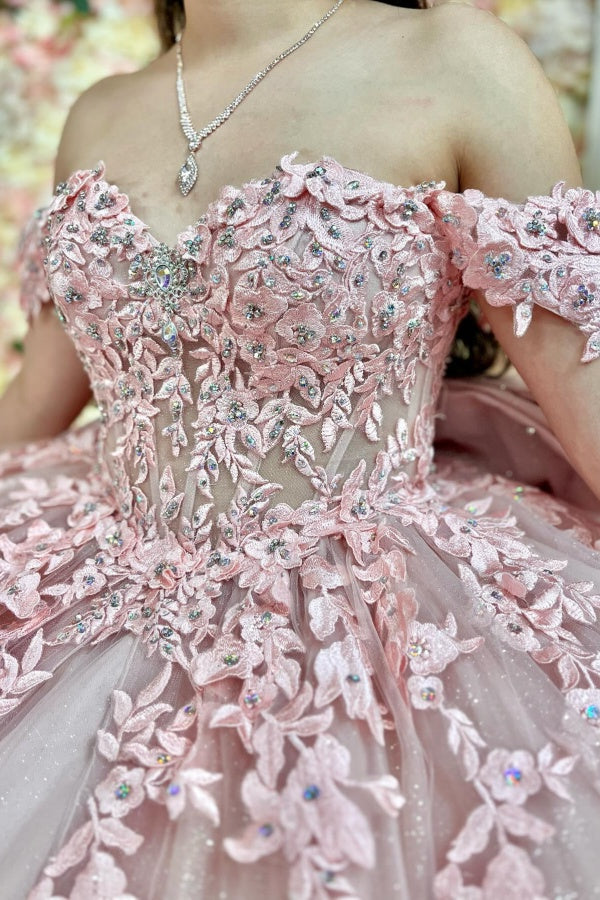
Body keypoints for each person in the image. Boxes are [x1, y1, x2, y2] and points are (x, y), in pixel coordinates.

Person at [1, 0, 599, 896]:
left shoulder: (455, 59)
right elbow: (36, 404)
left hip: (377, 616)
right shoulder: (101, 108)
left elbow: (580, 376)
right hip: (98, 592)